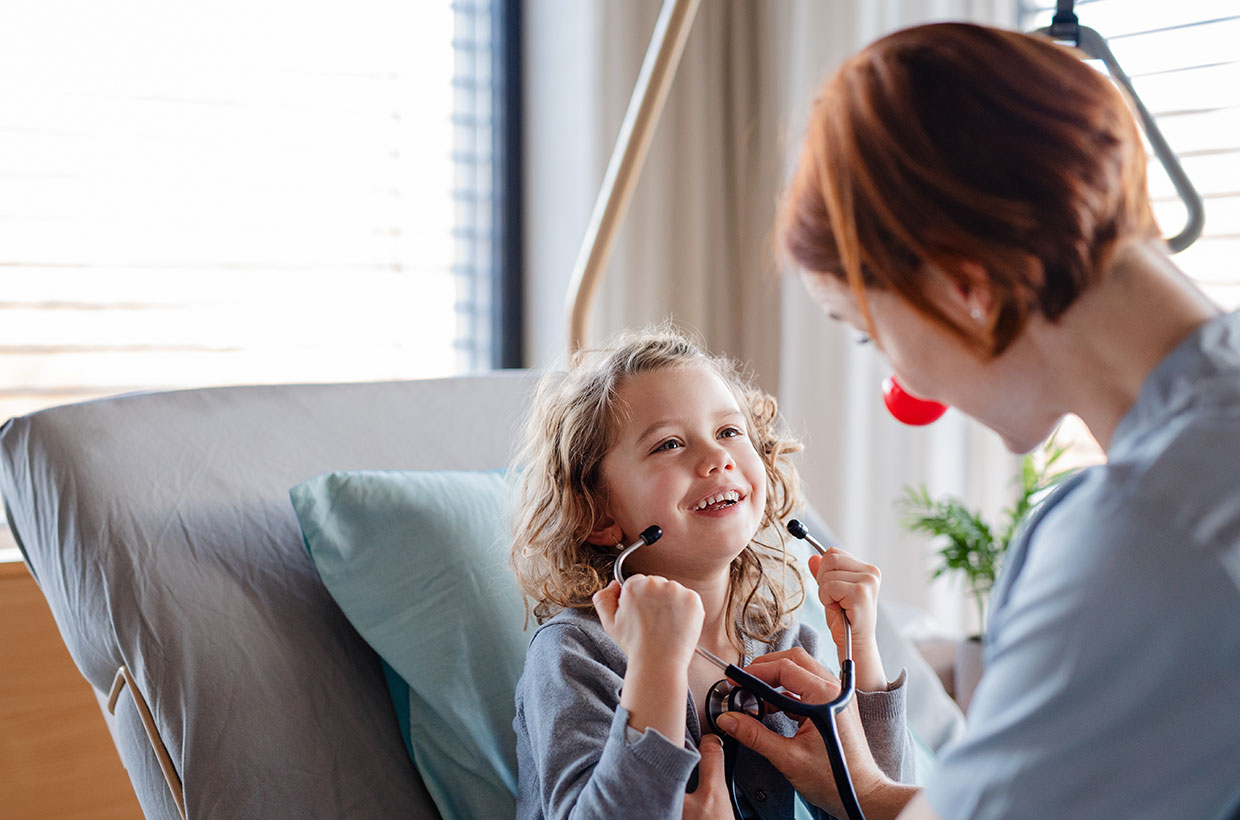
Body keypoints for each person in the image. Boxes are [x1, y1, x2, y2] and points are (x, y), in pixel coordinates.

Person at [715, 20, 1240, 820]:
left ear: (965, 289)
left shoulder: (1145, 532)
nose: (903, 383)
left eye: (871, 334)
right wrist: (875, 793)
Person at [509, 325, 915, 819]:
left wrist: (862, 652)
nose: (717, 458)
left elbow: (872, 800)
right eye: (668, 444)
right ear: (598, 515)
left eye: (729, 432)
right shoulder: (576, 653)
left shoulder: (785, 641)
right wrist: (656, 667)